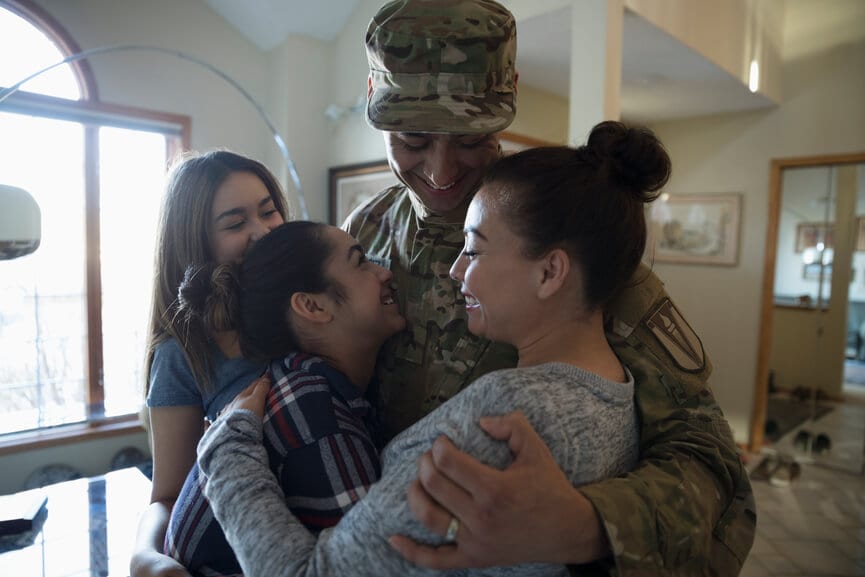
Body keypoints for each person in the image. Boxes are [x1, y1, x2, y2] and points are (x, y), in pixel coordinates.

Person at [346, 0, 755, 574]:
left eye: (470, 139)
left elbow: (710, 460)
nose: (440, 171)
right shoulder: (358, 237)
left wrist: (587, 524)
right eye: (412, 140)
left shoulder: (571, 235)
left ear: (509, 92)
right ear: (372, 96)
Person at [198, 124, 662, 576]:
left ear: (549, 272)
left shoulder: (501, 418)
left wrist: (225, 452)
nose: (455, 271)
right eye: (414, 140)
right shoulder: (619, 395)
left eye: (474, 250)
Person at [163, 220, 404, 576]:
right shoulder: (316, 421)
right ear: (312, 305)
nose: (384, 273)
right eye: (361, 262)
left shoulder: (298, 383)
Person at [130, 150, 289, 577]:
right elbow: (167, 494)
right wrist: (146, 557)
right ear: (195, 241)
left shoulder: (310, 306)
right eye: (236, 224)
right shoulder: (181, 354)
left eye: (268, 211)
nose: (262, 232)